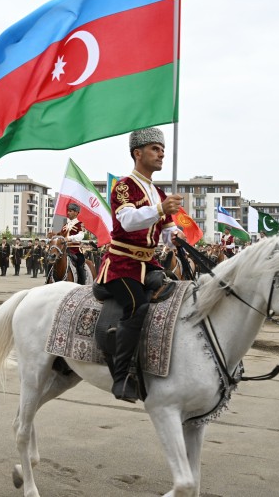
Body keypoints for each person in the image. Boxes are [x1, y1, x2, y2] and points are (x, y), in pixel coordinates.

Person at [95, 127, 182, 402]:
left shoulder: (157, 191)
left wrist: (174, 234)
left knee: (178, 291)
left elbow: (166, 230)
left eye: (163, 149)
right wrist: (160, 209)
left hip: (150, 262)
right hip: (122, 263)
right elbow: (128, 220)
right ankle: (121, 378)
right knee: (136, 306)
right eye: (155, 149)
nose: (161, 154)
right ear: (138, 153)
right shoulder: (123, 186)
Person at [56, 203, 89, 285]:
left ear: (76, 212)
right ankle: (50, 279)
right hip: (64, 250)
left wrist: (70, 238)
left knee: (80, 263)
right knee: (52, 261)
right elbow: (60, 236)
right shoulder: (65, 225)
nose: (68, 213)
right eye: (68, 211)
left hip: (75, 250)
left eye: (70, 211)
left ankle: (82, 283)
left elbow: (81, 236)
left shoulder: (80, 224)